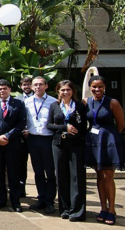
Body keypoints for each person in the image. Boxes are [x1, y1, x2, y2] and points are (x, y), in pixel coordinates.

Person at [83, 75, 125, 225]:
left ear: (104, 87)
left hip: (108, 142)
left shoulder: (112, 102)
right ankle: (103, 208)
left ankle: (112, 209)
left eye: (100, 86)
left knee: (108, 176)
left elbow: (120, 124)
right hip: (93, 142)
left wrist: (111, 137)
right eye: (94, 86)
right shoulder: (86, 102)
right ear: (90, 88)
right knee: (99, 176)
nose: (97, 89)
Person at [47, 80, 87, 222]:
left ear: (73, 91)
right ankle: (64, 209)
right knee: (61, 176)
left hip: (76, 144)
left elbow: (84, 126)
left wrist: (75, 130)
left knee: (77, 177)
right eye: (62, 90)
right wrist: (65, 127)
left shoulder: (80, 106)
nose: (65, 92)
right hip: (59, 144)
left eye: (68, 90)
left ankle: (77, 211)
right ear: (58, 92)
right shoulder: (54, 106)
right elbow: (49, 125)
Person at [0, 79, 27, 212]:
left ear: (9, 89)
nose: (2, 91)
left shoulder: (18, 104)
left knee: (13, 173)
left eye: (4, 88)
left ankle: (15, 201)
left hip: (12, 144)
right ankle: (0, 200)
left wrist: (8, 136)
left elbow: (21, 123)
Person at [23, 76, 57, 214]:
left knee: (50, 172)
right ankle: (41, 198)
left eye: (41, 84)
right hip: (32, 139)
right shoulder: (27, 102)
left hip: (48, 139)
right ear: (31, 87)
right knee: (38, 171)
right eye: (35, 85)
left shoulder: (54, 102)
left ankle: (50, 201)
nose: (38, 87)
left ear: (46, 86)